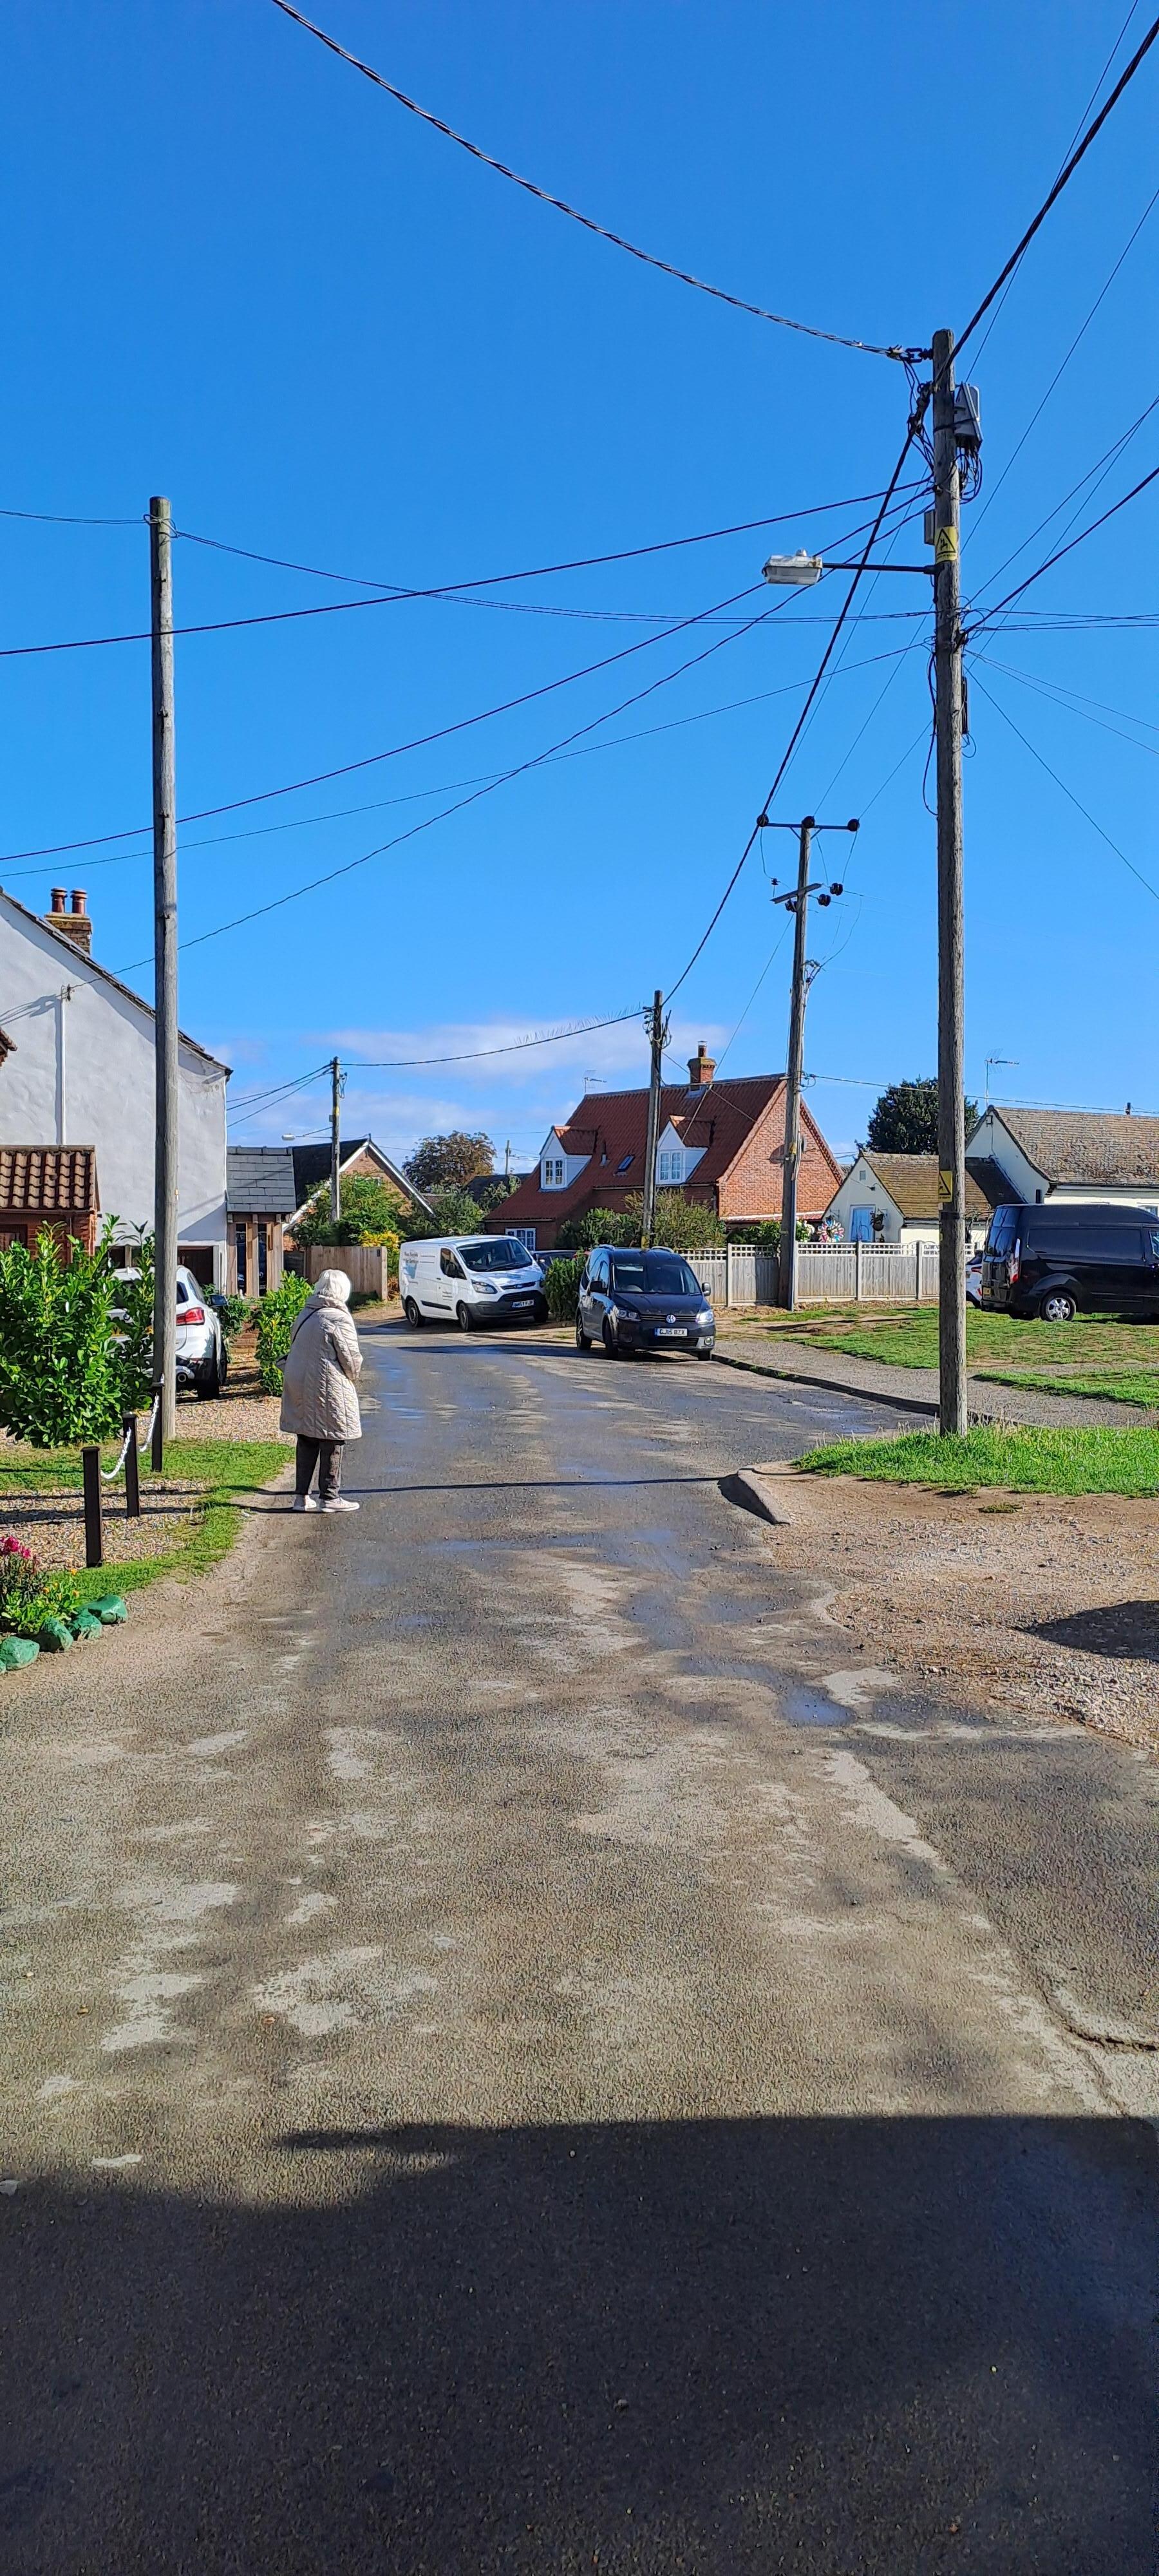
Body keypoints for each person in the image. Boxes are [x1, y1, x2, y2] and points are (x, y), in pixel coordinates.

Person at [279, 1268, 363, 1513]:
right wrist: (353, 1376)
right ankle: (330, 1497)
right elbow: (350, 1358)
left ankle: (301, 1498)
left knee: (306, 1438)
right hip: (328, 1386)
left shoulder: (305, 1313)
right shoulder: (338, 1317)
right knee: (333, 1438)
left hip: (301, 1383)